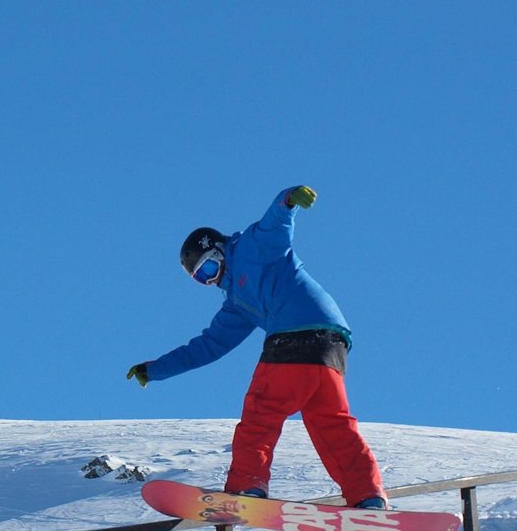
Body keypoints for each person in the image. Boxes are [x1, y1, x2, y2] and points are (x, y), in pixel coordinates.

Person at [126, 186, 388, 509]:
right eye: (201, 278)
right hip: (331, 346)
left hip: (294, 336)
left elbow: (276, 223)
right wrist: (155, 370)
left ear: (219, 250)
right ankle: (367, 494)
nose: (211, 279)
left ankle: (247, 485)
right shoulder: (236, 305)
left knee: (261, 411)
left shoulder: (252, 247)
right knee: (331, 424)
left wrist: (288, 200)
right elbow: (208, 345)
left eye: (209, 268)